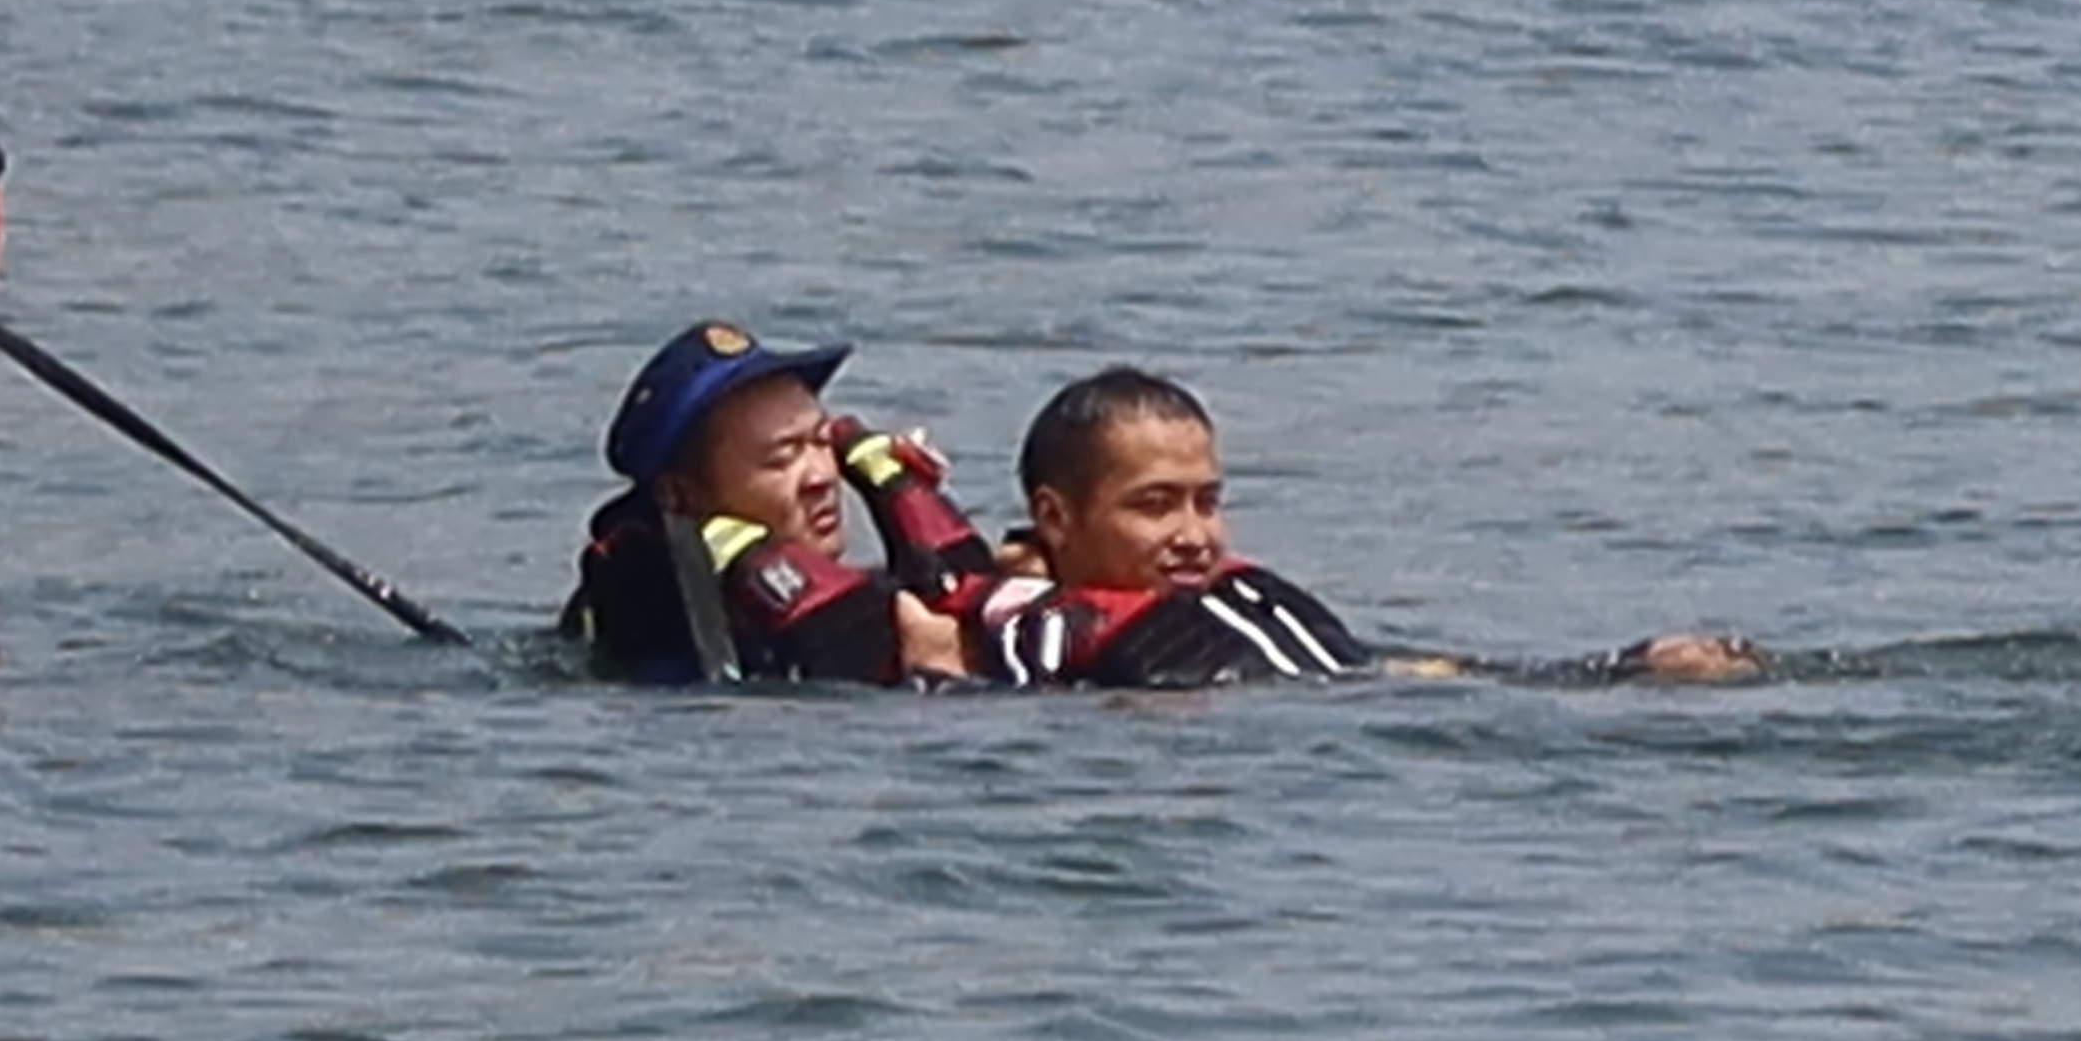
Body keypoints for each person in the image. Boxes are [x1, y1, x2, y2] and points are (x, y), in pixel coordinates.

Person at [969, 365, 1758, 687]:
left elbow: (1367, 672)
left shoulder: (1239, 592)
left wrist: (1615, 669)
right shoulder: (1039, 634)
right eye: (1155, 505)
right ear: (1055, 517)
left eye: (1207, 501)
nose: (1195, 534)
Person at [565, 320, 1014, 685]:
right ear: (680, 496)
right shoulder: (664, 630)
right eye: (782, 459)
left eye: (823, 442)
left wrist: (894, 484)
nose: (821, 477)